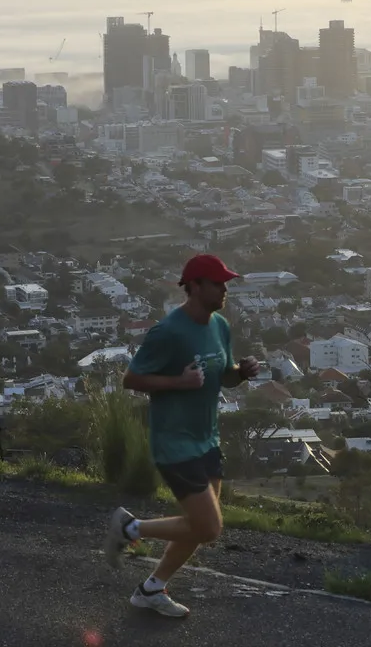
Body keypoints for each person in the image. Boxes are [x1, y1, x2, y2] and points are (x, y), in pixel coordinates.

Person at [103, 254, 260, 617]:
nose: (224, 289)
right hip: (174, 442)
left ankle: (151, 589)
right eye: (217, 283)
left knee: (198, 526)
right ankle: (129, 528)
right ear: (194, 286)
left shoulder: (220, 325)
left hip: (207, 437)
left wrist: (242, 372)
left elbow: (224, 376)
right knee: (209, 528)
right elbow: (132, 379)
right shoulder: (169, 331)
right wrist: (179, 382)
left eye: (225, 283)